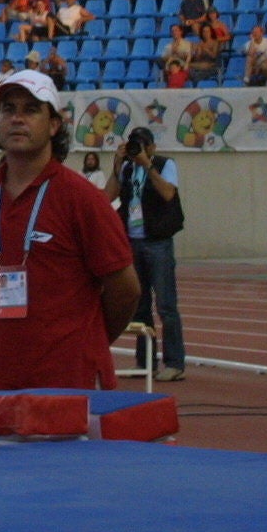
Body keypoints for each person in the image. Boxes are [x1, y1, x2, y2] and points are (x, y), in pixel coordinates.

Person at [0, 70, 140, 390]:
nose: (17, 118)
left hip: (70, 382)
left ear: (54, 125)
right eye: (8, 109)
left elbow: (126, 289)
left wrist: (87, 340)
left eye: (31, 109)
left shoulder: (82, 199)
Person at [105, 128, 186, 381]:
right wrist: (117, 165)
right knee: (139, 306)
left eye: (142, 146)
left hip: (158, 242)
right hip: (133, 242)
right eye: (134, 146)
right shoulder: (128, 169)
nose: (137, 150)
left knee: (166, 305)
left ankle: (174, 363)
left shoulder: (164, 164)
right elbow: (108, 196)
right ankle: (145, 362)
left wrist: (148, 166)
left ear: (152, 147)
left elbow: (168, 193)